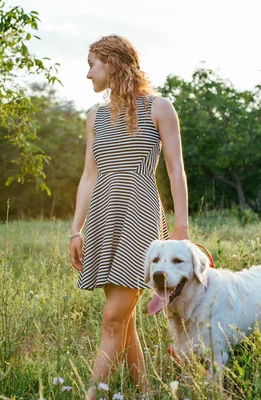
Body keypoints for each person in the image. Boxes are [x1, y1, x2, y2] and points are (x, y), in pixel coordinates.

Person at [68, 34, 189, 399]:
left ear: (113, 63)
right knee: (124, 318)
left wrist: (181, 228)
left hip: (140, 215)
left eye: (92, 64)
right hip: (104, 216)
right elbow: (89, 174)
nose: (88, 74)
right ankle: (147, 393)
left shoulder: (159, 107)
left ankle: (91, 395)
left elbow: (175, 169)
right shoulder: (95, 116)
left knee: (111, 318)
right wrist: (75, 230)